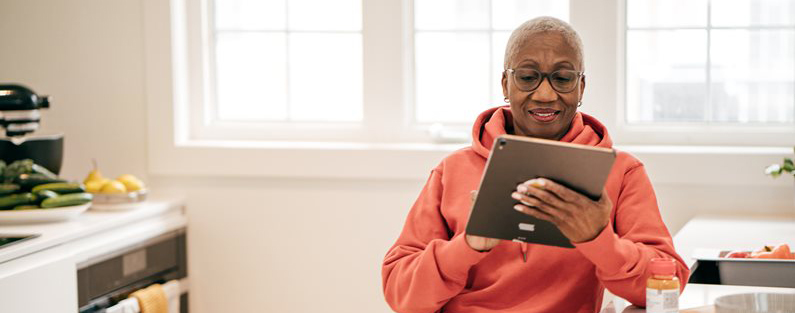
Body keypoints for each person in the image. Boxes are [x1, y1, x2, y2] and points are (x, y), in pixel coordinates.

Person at [381, 16, 689, 313]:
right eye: (528, 77)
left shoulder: (622, 172)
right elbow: (401, 293)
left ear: (581, 87)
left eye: (563, 78)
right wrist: (468, 245)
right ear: (506, 84)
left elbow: (666, 282)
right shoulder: (452, 171)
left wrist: (598, 238)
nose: (544, 94)